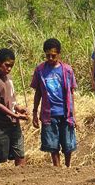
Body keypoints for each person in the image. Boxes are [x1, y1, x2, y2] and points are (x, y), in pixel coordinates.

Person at [30, 38, 78, 168]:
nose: (50, 58)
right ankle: (56, 167)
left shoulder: (67, 70)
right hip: (49, 113)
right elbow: (38, 92)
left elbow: (71, 93)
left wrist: (73, 114)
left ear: (59, 54)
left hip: (65, 113)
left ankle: (68, 166)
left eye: (53, 55)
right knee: (52, 144)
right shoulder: (40, 70)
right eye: (48, 56)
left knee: (68, 144)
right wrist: (34, 112)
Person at [0, 47, 29, 169]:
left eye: (11, 66)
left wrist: (19, 109)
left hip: (13, 123)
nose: (9, 69)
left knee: (20, 154)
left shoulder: (9, 79)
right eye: (6, 65)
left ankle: (20, 182)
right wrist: (14, 115)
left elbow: (11, 101)